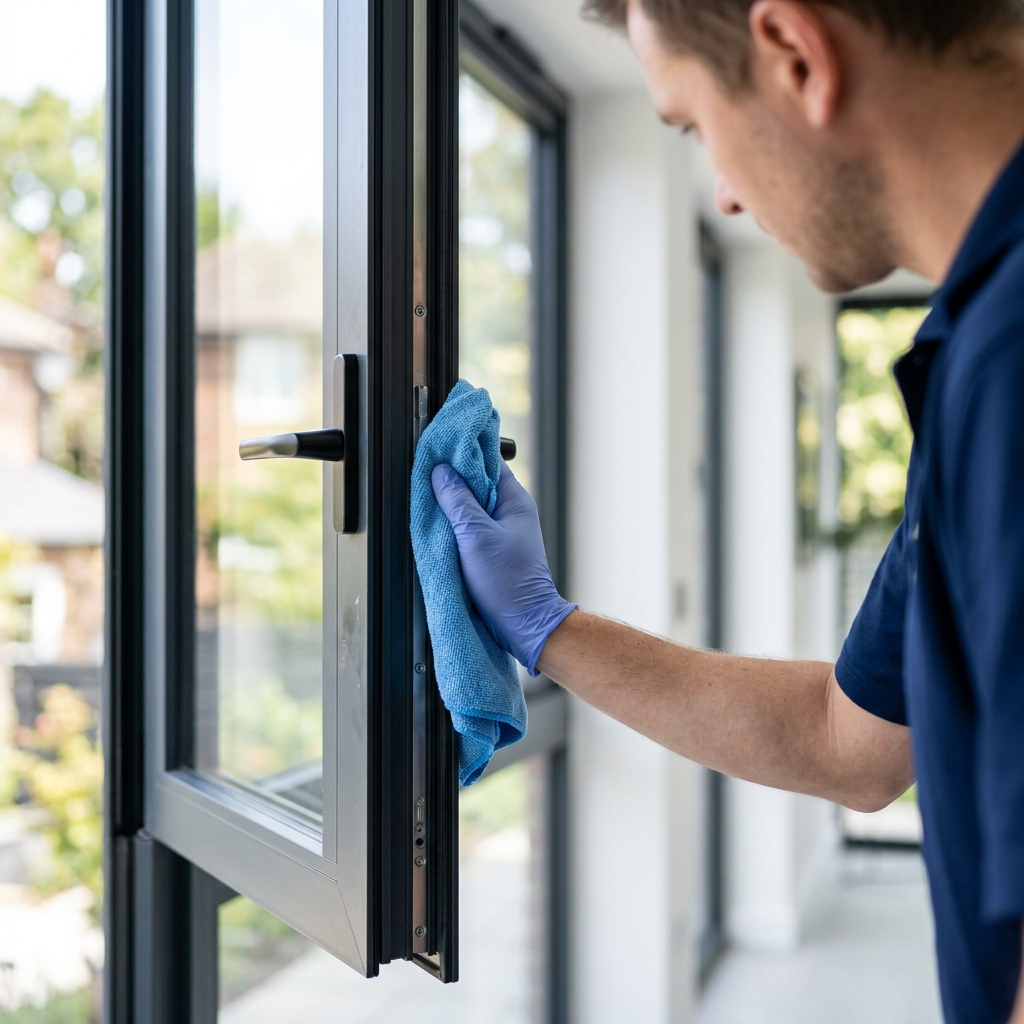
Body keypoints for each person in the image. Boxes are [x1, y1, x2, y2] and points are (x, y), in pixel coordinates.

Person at [431, 0, 1024, 1020]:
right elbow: (851, 742)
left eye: (694, 126)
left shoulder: (1011, 360)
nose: (726, 195)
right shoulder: (973, 339)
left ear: (795, 54)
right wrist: (545, 628)